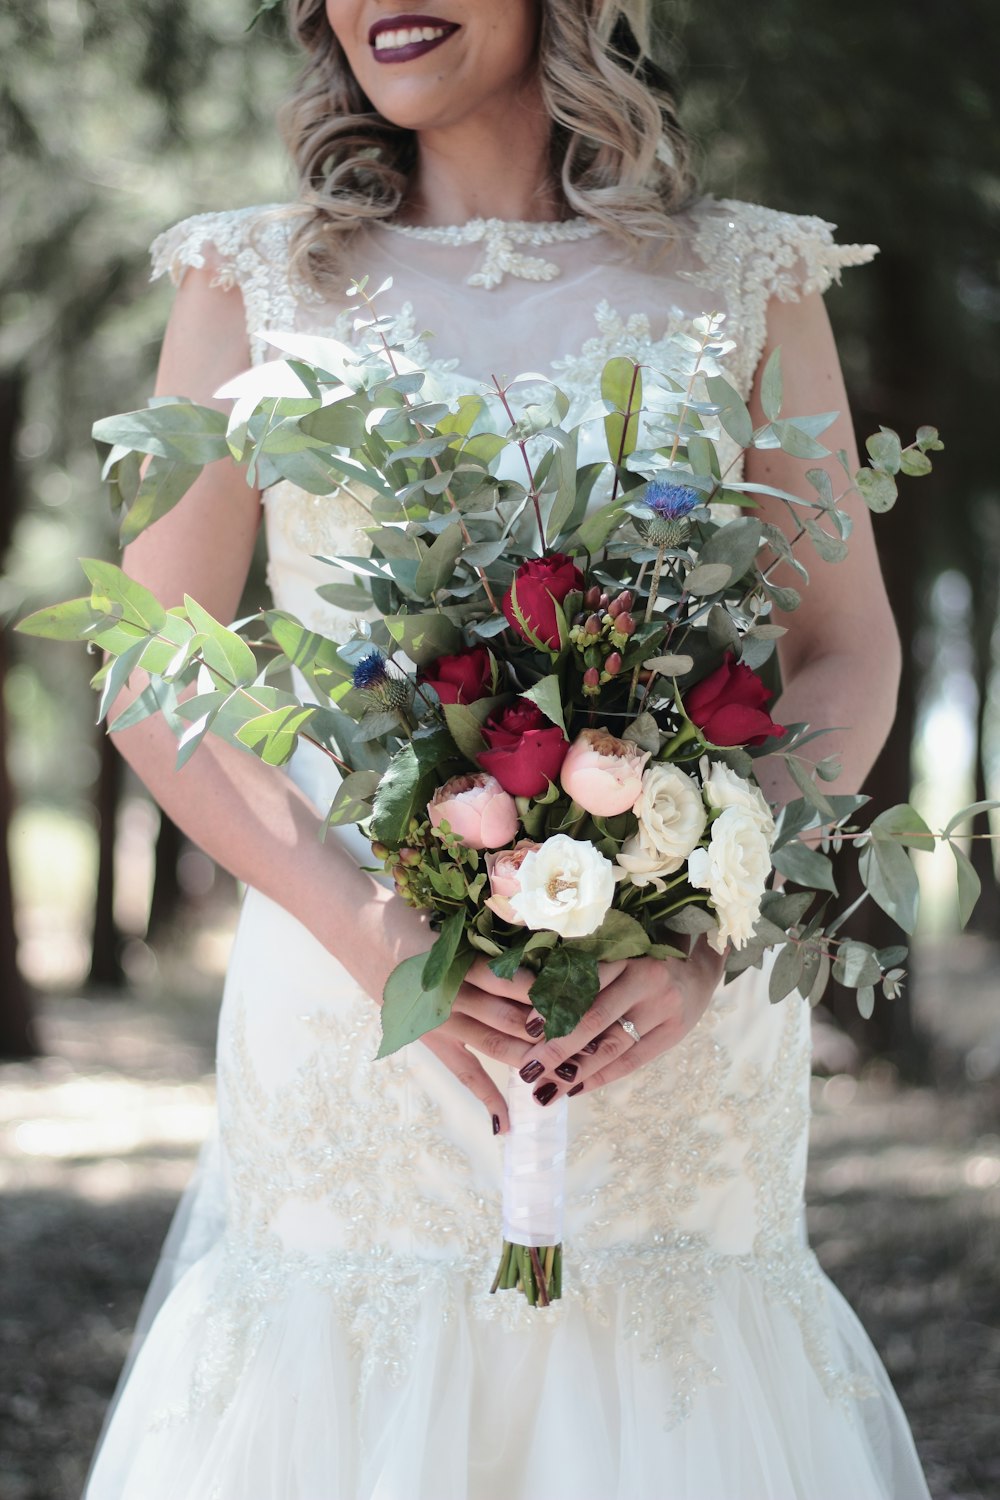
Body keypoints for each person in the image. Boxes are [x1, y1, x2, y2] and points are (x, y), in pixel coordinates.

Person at [82, 2, 930, 1497]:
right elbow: (159, 671)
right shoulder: (250, 278)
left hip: (665, 1013)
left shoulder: (743, 279)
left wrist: (714, 929)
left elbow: (846, 646)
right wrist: (371, 932)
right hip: (359, 1000)